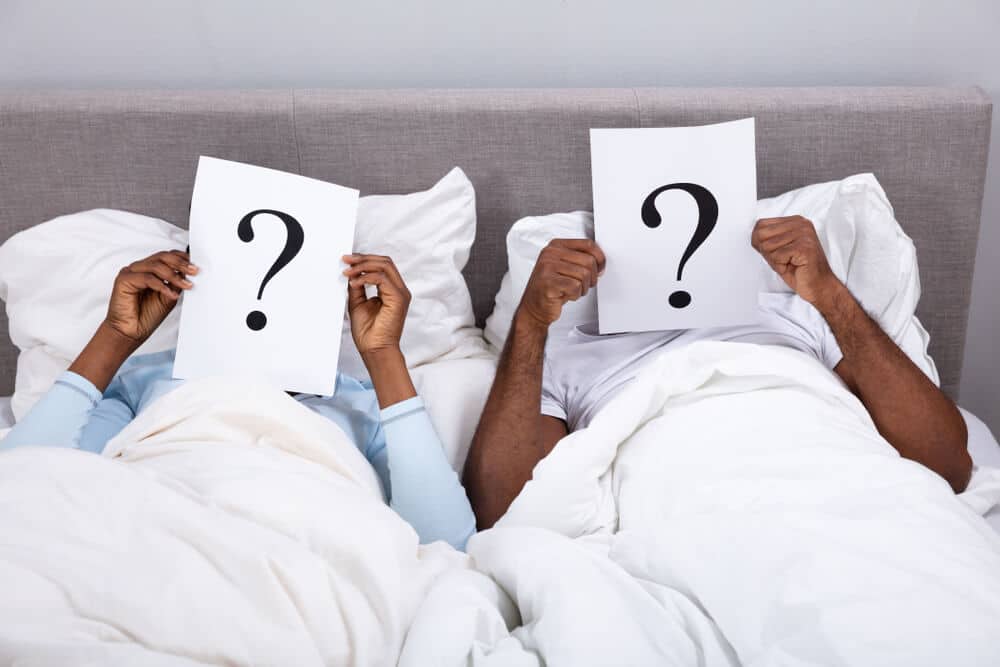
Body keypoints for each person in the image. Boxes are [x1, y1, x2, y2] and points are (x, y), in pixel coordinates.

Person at [463, 215, 972, 529]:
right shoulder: (564, 356)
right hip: (693, 502)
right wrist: (531, 319)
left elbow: (947, 462)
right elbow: (503, 509)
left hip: (836, 481)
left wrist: (830, 294)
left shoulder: (795, 314)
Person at [3, 250, 476, 550]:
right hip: (156, 529)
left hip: (304, 542)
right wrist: (115, 336)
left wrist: (383, 355)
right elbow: (22, 486)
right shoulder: (143, 380)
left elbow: (445, 541)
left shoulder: (363, 400)